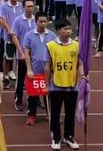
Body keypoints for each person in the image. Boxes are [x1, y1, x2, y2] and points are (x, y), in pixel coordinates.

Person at [45, 18, 85, 150]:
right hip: (56, 85)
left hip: (72, 85)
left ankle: (69, 137)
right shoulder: (51, 45)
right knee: (55, 114)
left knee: (70, 113)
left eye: (69, 29)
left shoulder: (76, 45)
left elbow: (79, 63)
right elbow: (47, 66)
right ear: (58, 31)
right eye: (65, 29)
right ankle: (56, 138)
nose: (69, 31)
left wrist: (83, 74)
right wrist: (46, 84)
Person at [23, 12, 56, 125]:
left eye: (45, 21)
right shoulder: (29, 35)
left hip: (48, 70)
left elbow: (55, 52)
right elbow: (26, 53)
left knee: (50, 93)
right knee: (33, 95)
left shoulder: (52, 35)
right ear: (36, 21)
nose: (43, 24)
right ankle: (31, 116)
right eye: (40, 21)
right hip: (35, 69)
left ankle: (50, 114)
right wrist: (29, 69)